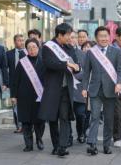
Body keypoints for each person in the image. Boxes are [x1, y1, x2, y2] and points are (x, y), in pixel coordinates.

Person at [38, 23, 80, 157]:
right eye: (67, 35)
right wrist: (66, 64)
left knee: (64, 117)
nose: (69, 38)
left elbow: (76, 63)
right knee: (53, 118)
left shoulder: (70, 48)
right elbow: (49, 63)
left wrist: (77, 67)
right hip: (52, 88)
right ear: (60, 35)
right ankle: (56, 145)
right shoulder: (48, 47)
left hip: (66, 89)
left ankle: (62, 146)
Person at [82, 26, 121, 155]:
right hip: (95, 90)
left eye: (106, 36)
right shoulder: (91, 52)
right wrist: (84, 88)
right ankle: (92, 144)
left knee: (109, 119)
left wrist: (119, 83)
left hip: (111, 90)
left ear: (109, 37)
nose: (104, 38)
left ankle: (106, 145)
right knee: (94, 117)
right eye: (101, 36)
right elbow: (86, 72)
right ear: (96, 38)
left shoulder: (116, 52)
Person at [12, 38, 45, 152]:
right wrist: (13, 95)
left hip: (39, 96)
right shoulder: (22, 63)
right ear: (26, 49)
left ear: (38, 48)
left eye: (34, 47)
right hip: (24, 97)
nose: (32, 50)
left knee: (39, 121)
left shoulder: (43, 62)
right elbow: (15, 80)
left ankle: (39, 139)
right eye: (29, 48)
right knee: (26, 122)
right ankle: (28, 144)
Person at [69, 32, 89, 144]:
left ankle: (81, 133)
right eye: (70, 37)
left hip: (80, 88)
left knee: (81, 114)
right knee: (65, 115)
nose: (72, 39)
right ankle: (69, 136)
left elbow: (87, 71)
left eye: (74, 37)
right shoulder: (62, 53)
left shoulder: (83, 54)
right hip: (66, 89)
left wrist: (74, 77)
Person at [6, 34, 26, 134]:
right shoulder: (8, 54)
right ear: (14, 42)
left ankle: (26, 125)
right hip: (13, 83)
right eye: (19, 40)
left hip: (25, 83)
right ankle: (18, 126)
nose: (21, 42)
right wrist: (6, 83)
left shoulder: (27, 53)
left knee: (24, 105)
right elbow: (5, 69)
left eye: (23, 40)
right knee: (15, 105)